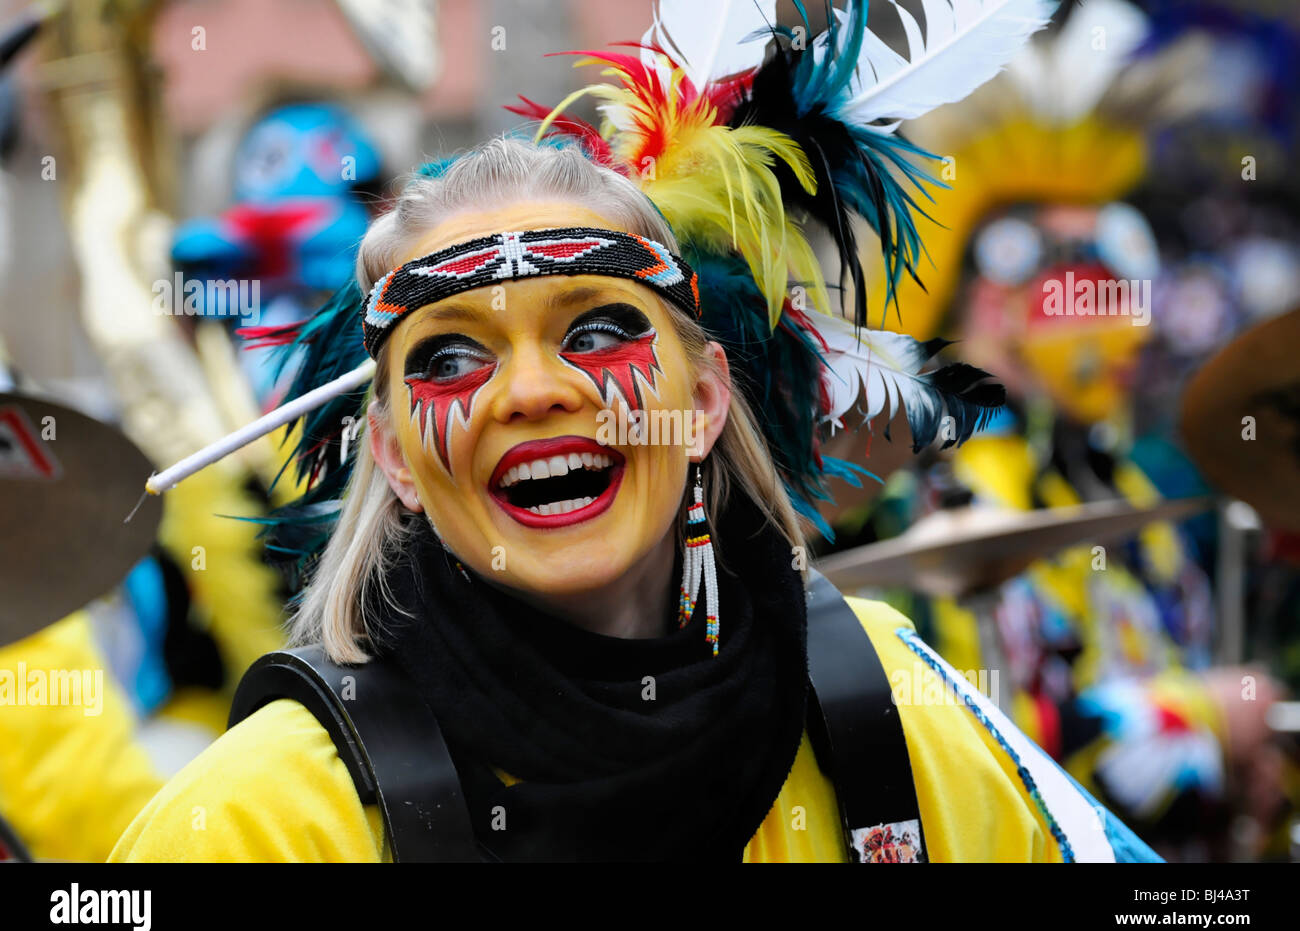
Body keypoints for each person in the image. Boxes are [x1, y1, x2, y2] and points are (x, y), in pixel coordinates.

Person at [111, 2, 1159, 862]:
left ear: (704, 398)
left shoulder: (885, 706)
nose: (529, 392)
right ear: (393, 454)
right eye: (449, 358)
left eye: (598, 328)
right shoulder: (257, 827)